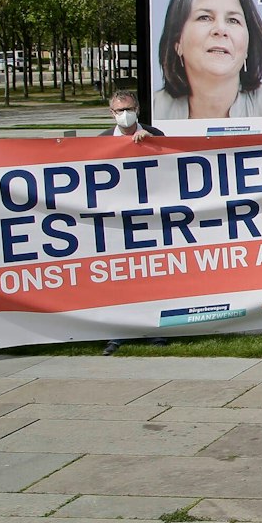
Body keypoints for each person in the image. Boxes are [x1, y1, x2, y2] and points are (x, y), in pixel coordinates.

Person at [98, 90, 169, 356]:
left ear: (137, 109)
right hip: (117, 223)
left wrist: (153, 145)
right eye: (119, 111)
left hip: (149, 219)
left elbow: (172, 169)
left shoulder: (155, 135)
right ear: (112, 113)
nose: (124, 114)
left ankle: (155, 331)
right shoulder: (101, 141)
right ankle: (117, 335)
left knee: (152, 277)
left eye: (128, 109)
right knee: (120, 279)